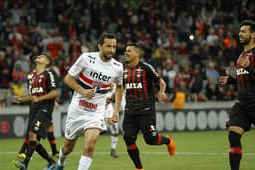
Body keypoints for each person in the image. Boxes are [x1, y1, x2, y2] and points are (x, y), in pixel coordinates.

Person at [55, 33, 123, 170]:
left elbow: (120, 87)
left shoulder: (117, 67)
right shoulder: (86, 59)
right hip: (77, 110)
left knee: (90, 145)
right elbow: (68, 78)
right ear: (100, 46)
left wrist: (116, 110)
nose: (112, 50)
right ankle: (60, 165)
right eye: (108, 46)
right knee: (68, 147)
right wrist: (82, 91)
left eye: (114, 47)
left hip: (96, 112)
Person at [122, 43, 176, 170]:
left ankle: (168, 141)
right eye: (125, 51)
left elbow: (161, 82)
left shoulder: (146, 68)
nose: (126, 53)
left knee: (151, 140)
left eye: (129, 51)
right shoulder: (122, 70)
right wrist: (111, 97)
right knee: (128, 138)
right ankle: (139, 168)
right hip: (130, 112)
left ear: (137, 54)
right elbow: (119, 88)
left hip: (146, 112)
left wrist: (161, 92)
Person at [218, 20, 255, 170]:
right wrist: (231, 80)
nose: (240, 34)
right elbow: (244, 77)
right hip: (242, 103)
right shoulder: (241, 56)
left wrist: (251, 68)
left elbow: (250, 72)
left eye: (244, 31)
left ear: (253, 34)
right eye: (240, 31)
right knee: (233, 135)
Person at [12, 53, 58, 170]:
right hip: (33, 109)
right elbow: (32, 96)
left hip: (44, 108)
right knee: (34, 140)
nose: (39, 57)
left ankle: (25, 164)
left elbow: (54, 93)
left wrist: (40, 98)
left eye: (42, 56)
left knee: (33, 134)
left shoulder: (48, 74)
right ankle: (51, 162)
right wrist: (21, 99)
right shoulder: (32, 77)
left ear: (46, 62)